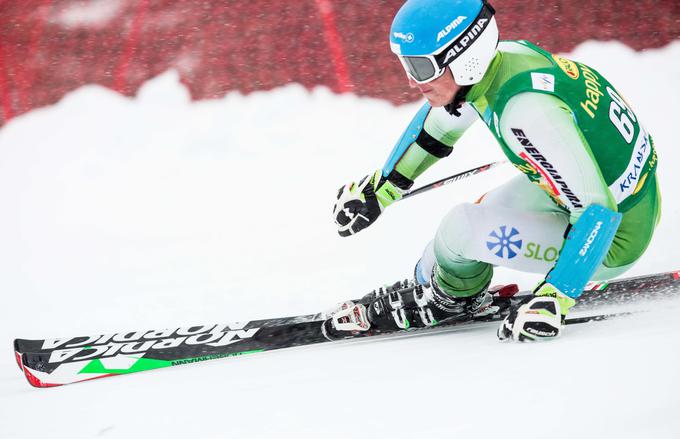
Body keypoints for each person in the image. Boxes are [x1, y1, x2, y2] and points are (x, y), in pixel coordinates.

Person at [329, 0, 660, 341]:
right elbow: (437, 129)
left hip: (615, 237)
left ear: (463, 58)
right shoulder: (502, 64)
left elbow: (598, 211)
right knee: (466, 229)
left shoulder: (526, 111)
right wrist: (382, 189)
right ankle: (441, 285)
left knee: (461, 229)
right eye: (406, 65)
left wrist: (555, 297)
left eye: (422, 67)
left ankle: (450, 300)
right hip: (600, 198)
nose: (414, 81)